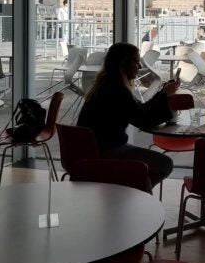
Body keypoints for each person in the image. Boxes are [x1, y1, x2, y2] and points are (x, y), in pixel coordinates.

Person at [77, 42, 180, 189]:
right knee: (165, 164)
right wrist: (165, 95)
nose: (139, 66)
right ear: (123, 64)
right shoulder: (117, 91)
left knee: (153, 167)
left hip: (91, 150)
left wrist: (163, 93)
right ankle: (132, 192)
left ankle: (127, 191)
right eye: (136, 62)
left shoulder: (106, 86)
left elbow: (140, 111)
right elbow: (145, 120)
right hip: (106, 152)